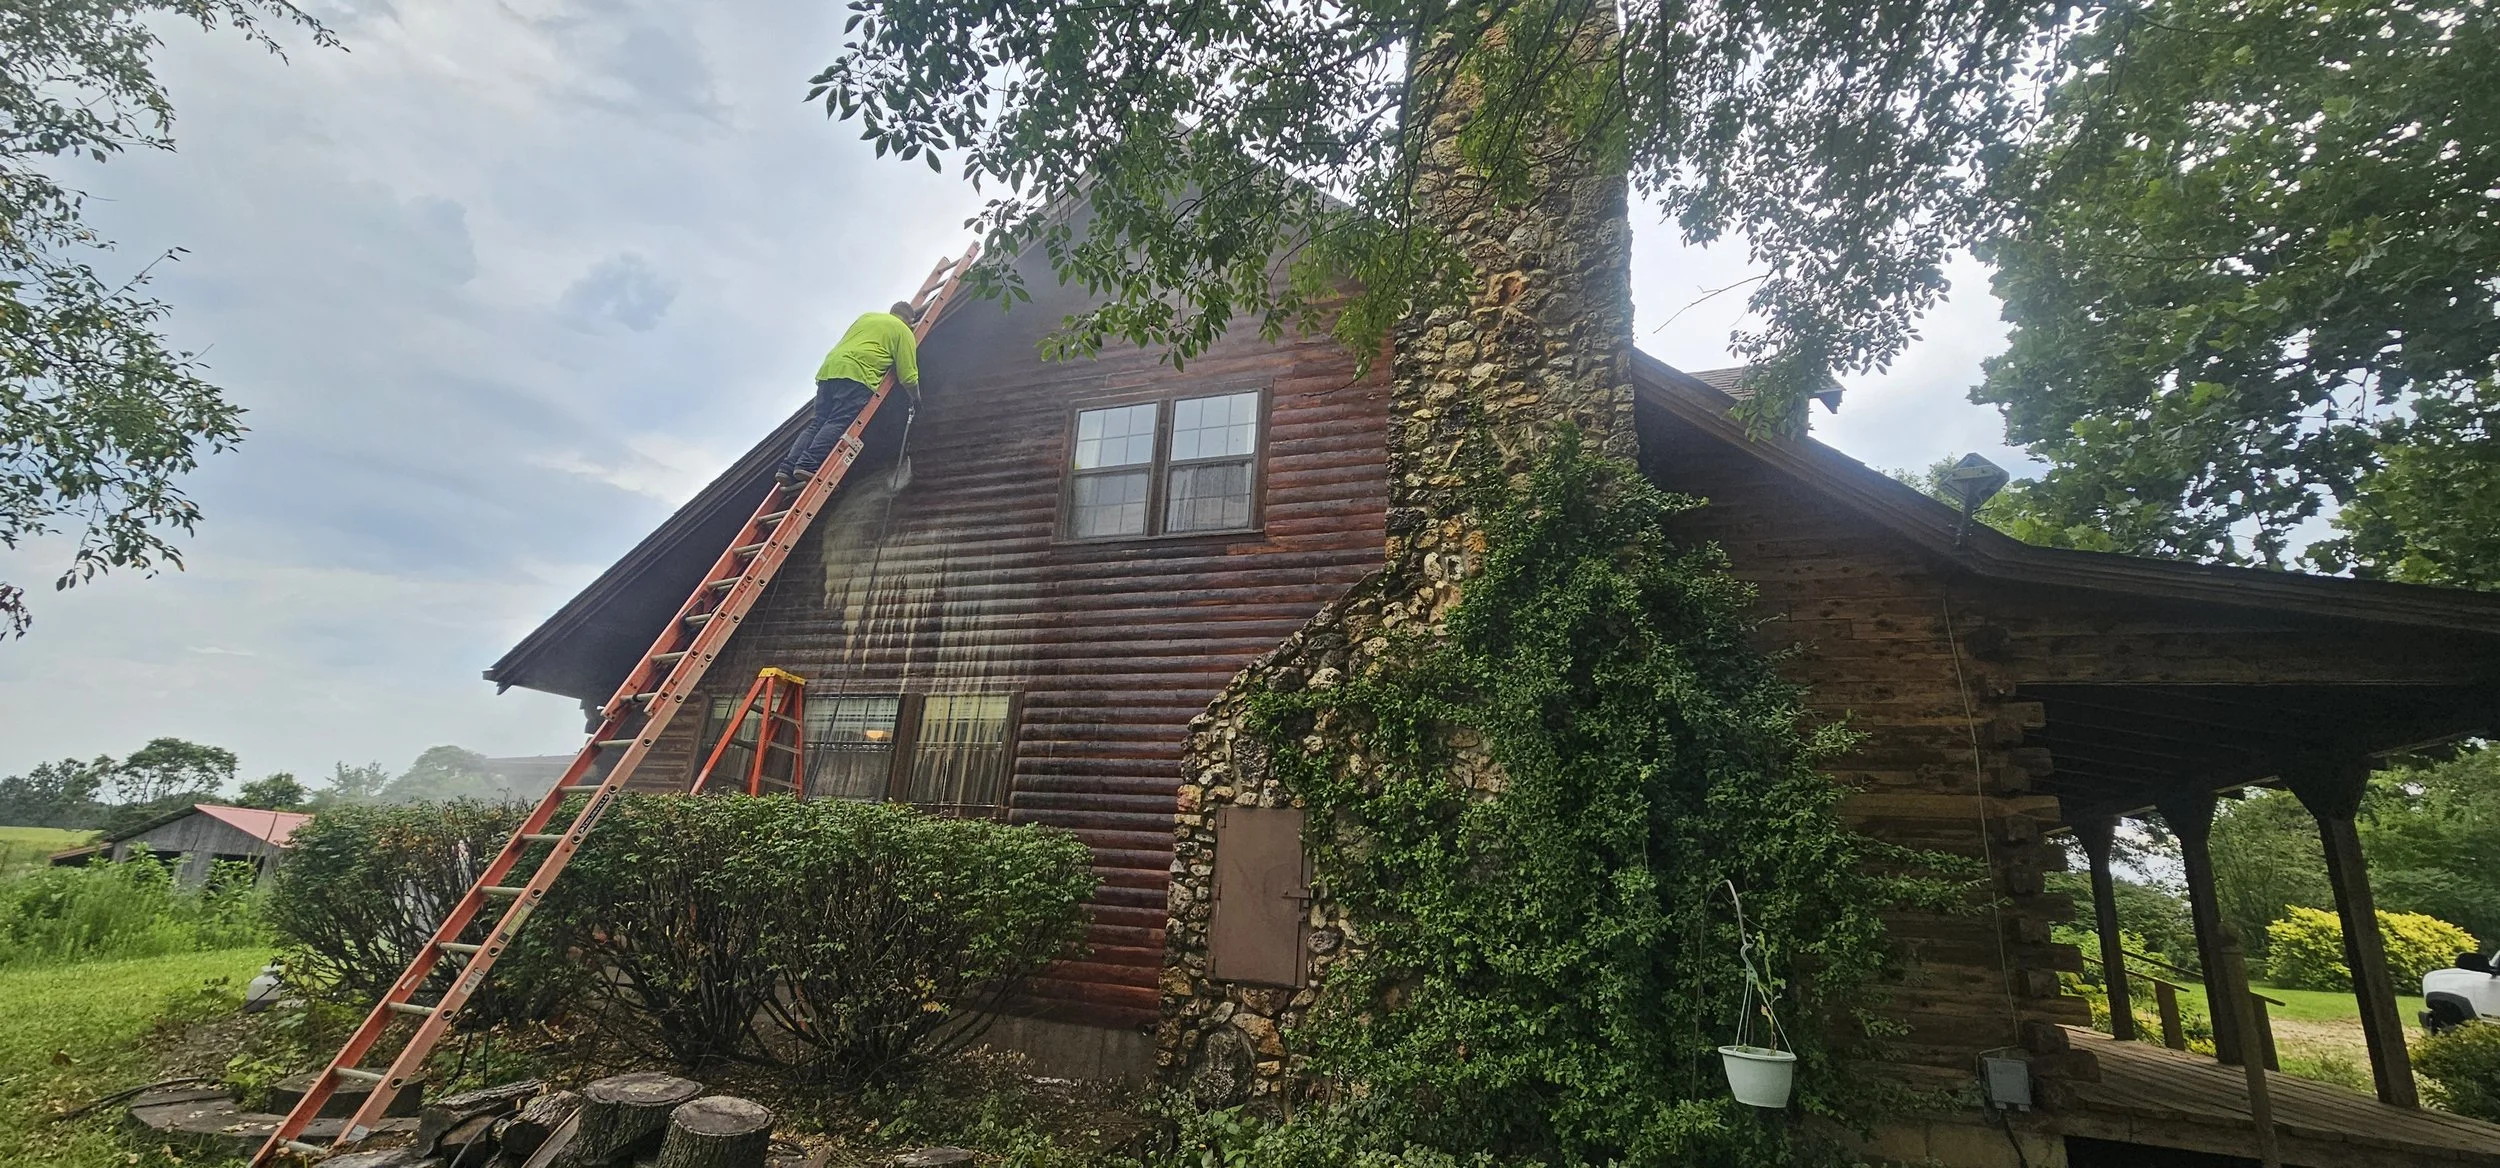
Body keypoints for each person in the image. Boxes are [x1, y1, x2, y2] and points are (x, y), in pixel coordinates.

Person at [775, 301, 922, 488]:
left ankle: (786, 469)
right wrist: (916, 399)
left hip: (829, 370)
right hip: (857, 374)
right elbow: (908, 376)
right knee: (837, 420)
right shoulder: (903, 331)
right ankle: (807, 465)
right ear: (910, 319)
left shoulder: (867, 317)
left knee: (817, 422)